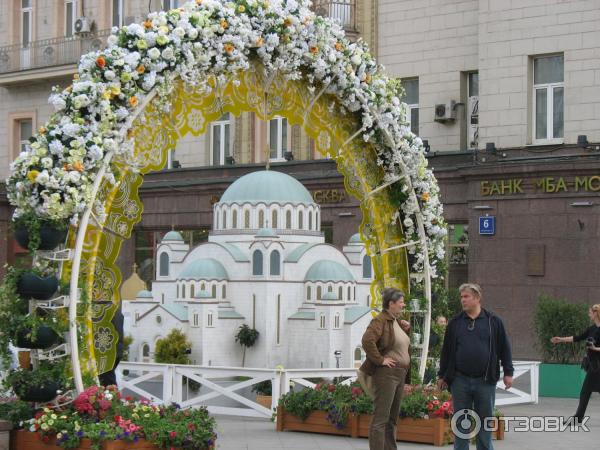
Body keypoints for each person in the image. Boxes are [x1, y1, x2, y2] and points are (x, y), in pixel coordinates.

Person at [437, 283, 513, 450]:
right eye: (461, 297)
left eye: (466, 297)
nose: (462, 300)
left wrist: (508, 372)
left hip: (485, 381)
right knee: (461, 423)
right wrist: (442, 375)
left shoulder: (494, 322)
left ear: (477, 298)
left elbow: (505, 349)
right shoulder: (455, 323)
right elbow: (447, 351)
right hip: (460, 380)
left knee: (485, 423)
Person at [359, 287, 411, 450]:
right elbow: (367, 340)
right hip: (387, 374)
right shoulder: (380, 320)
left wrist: (405, 329)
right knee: (381, 419)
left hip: (399, 373)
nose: (403, 305)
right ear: (391, 303)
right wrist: (380, 360)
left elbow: (397, 345)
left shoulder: (394, 322)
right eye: (401, 302)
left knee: (392, 419)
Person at [550, 304, 600, 422]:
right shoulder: (592, 329)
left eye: (590, 313)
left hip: (598, 366)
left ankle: (578, 418)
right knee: (586, 391)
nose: (589, 314)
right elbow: (577, 338)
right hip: (593, 364)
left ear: (595, 314)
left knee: (585, 391)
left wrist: (595, 348)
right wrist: (560, 339)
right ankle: (578, 417)